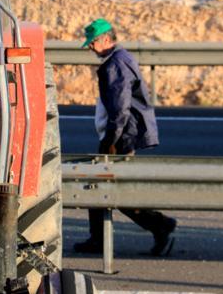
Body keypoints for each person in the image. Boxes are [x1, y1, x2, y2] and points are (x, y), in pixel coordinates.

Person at [73, 18, 177, 257]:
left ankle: (160, 225)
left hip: (119, 137)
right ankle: (98, 238)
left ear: (106, 39)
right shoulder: (119, 59)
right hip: (119, 134)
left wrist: (110, 140)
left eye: (93, 42)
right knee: (99, 185)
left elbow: (119, 109)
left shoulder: (116, 64)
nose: (90, 47)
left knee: (109, 189)